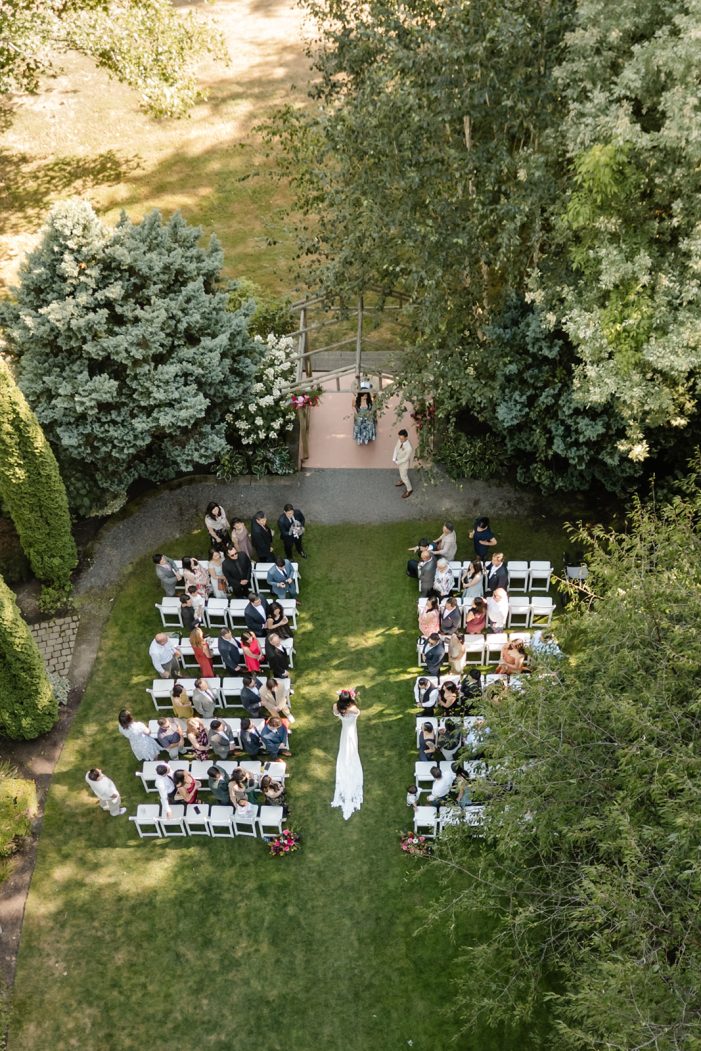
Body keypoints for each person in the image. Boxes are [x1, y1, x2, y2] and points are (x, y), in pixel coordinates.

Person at [331, 689, 363, 820]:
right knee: (351, 749)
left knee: (344, 748)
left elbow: (335, 711)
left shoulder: (336, 707)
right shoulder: (353, 709)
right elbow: (357, 712)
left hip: (345, 731)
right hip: (351, 731)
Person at [392, 428, 413, 498]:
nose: (400, 440)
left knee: (404, 476)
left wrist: (397, 462)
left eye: (402, 439)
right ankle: (402, 480)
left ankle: (409, 489)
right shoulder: (399, 440)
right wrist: (394, 457)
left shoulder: (409, 448)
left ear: (406, 437)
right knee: (401, 473)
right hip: (399, 461)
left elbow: (406, 459)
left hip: (404, 464)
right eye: (399, 438)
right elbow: (396, 448)